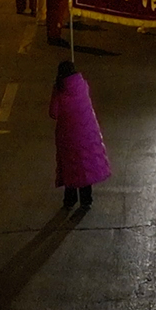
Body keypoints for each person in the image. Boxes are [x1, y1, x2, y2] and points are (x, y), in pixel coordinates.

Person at [50, 60, 112, 209]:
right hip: (87, 133)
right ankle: (86, 201)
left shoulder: (60, 90)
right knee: (85, 165)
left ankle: (70, 201)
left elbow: (53, 113)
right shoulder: (83, 85)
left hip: (68, 136)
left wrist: (55, 92)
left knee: (70, 166)